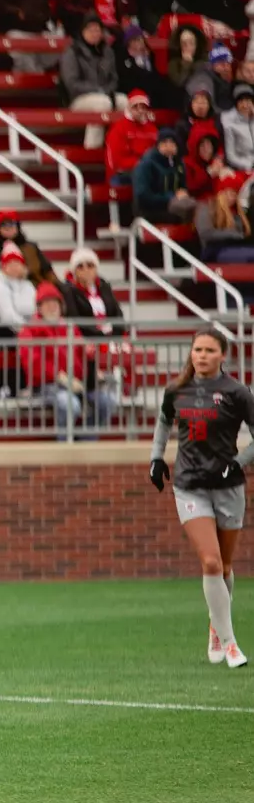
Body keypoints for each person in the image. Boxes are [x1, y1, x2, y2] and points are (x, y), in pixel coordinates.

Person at [149, 327, 254, 667]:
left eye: (209, 350)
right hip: (189, 484)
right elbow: (164, 423)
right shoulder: (177, 389)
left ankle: (215, 624)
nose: (201, 356)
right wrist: (156, 457)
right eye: (197, 350)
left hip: (228, 487)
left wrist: (237, 464)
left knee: (223, 566)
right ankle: (231, 643)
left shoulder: (237, 392)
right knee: (209, 561)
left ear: (223, 355)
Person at [20, 281, 114, 438]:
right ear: (39, 307)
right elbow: (33, 363)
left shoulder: (70, 328)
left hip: (77, 384)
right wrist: (59, 376)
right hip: (47, 385)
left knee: (107, 402)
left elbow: (80, 357)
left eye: (55, 302)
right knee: (70, 404)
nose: (52, 307)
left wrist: (90, 364)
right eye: (47, 303)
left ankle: (87, 443)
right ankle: (63, 448)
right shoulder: (29, 330)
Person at [60, 14, 123, 150]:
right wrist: (98, 90)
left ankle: (119, 147)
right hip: (79, 99)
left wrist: (107, 90)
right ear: (83, 31)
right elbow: (72, 83)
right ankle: (92, 148)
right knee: (102, 104)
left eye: (97, 30)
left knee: (126, 102)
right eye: (90, 30)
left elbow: (114, 79)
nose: (94, 33)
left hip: (105, 94)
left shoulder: (107, 52)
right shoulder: (72, 52)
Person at [0, 208, 50, 293]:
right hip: (3, 291)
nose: (8, 228)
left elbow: (47, 270)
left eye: (11, 224)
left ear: (18, 226)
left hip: (33, 289)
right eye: (4, 225)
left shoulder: (31, 247)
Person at [60, 246, 126, 336]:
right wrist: (101, 334)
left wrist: (115, 333)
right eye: (80, 267)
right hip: (87, 340)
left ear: (96, 269)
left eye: (90, 265)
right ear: (74, 271)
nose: (86, 270)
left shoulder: (104, 286)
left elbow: (117, 313)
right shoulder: (68, 291)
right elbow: (75, 320)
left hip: (111, 337)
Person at [134, 127, 194, 222]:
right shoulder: (147, 164)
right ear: (158, 145)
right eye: (165, 143)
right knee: (185, 215)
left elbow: (183, 187)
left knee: (197, 210)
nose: (169, 146)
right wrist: (170, 197)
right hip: (151, 210)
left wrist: (182, 194)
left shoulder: (179, 164)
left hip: (174, 205)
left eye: (172, 143)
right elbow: (143, 196)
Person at [194, 172, 254, 261]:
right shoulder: (206, 208)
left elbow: (241, 234)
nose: (232, 198)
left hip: (234, 248)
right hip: (213, 250)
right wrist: (231, 234)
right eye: (229, 193)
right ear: (221, 193)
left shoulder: (236, 212)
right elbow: (205, 233)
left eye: (235, 194)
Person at [105, 90, 159, 186]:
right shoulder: (119, 128)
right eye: (135, 107)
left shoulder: (152, 129)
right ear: (129, 108)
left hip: (147, 171)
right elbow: (116, 162)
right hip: (122, 175)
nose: (140, 110)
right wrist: (141, 163)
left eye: (143, 107)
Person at [0, 240, 37, 333]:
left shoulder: (28, 286)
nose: (14, 266)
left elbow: (36, 310)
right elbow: (8, 317)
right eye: (10, 263)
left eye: (17, 262)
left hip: (29, 334)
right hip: (6, 336)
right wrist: (29, 332)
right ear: (3, 267)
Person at [118, 24, 170, 103]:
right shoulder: (124, 58)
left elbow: (155, 73)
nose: (138, 42)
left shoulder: (150, 55)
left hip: (151, 89)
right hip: (133, 89)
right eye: (134, 40)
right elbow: (126, 79)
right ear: (128, 42)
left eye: (140, 39)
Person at [185, 121, 228, 200]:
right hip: (198, 202)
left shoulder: (216, 162)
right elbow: (191, 188)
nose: (206, 149)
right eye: (202, 145)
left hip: (219, 201)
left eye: (209, 144)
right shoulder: (187, 163)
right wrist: (209, 173)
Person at [166, 23, 208, 100]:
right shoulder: (173, 64)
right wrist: (186, 65)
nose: (188, 47)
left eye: (191, 42)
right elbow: (179, 84)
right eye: (184, 43)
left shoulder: (205, 60)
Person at [224, 85, 254, 171]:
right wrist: (249, 165)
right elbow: (231, 156)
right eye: (241, 101)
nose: (245, 105)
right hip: (243, 168)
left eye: (248, 101)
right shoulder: (230, 125)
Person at [201, 45, 238, 114]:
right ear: (212, 65)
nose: (226, 67)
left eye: (228, 63)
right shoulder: (206, 81)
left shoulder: (233, 78)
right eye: (222, 63)